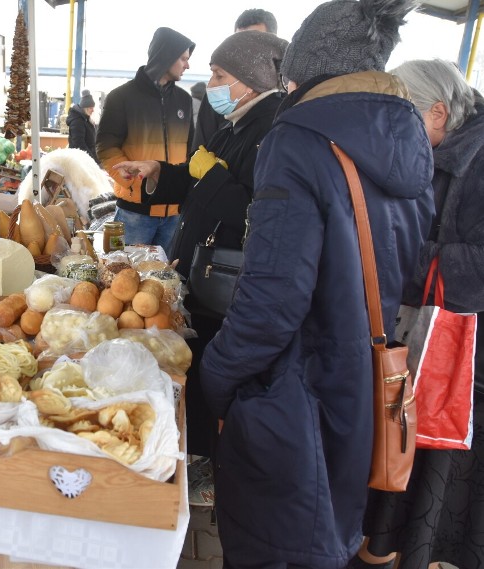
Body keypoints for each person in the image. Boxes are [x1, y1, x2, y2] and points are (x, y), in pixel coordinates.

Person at [197, 0, 435, 567]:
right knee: (326, 535)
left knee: (273, 542)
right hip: (362, 382)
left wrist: (215, 377)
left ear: (306, 73)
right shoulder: (410, 139)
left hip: (291, 392)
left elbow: (271, 304)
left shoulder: (299, 139)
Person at [112, 30, 288, 507]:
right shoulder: (238, 121)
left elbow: (253, 210)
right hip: (203, 268)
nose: (209, 81)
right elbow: (196, 181)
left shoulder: (272, 128)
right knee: (202, 366)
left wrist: (209, 173)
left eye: (219, 74)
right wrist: (159, 171)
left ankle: (209, 472)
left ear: (249, 81)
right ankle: (199, 457)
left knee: (213, 370)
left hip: (228, 277)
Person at [352, 59, 484, 569]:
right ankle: (378, 546)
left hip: (459, 351)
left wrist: (400, 249)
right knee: (399, 440)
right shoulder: (431, 148)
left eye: (403, 117)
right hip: (418, 327)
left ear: (437, 111)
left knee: (432, 465)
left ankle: (417, 554)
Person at [96, 26, 194, 248]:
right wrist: (132, 183)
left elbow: (190, 149)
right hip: (135, 213)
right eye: (183, 58)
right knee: (126, 275)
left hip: (174, 212)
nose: (187, 65)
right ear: (165, 55)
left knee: (166, 280)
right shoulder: (121, 97)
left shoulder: (183, 100)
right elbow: (105, 146)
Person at [192, 9, 278, 153]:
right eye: (237, 42)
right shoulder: (218, 95)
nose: (243, 51)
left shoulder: (289, 96)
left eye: (254, 42)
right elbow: (198, 152)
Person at [66, 89, 98, 164]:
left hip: (86, 158)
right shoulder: (77, 121)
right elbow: (79, 144)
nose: (93, 110)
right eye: (91, 108)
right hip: (80, 161)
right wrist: (92, 161)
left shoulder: (85, 119)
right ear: (85, 108)